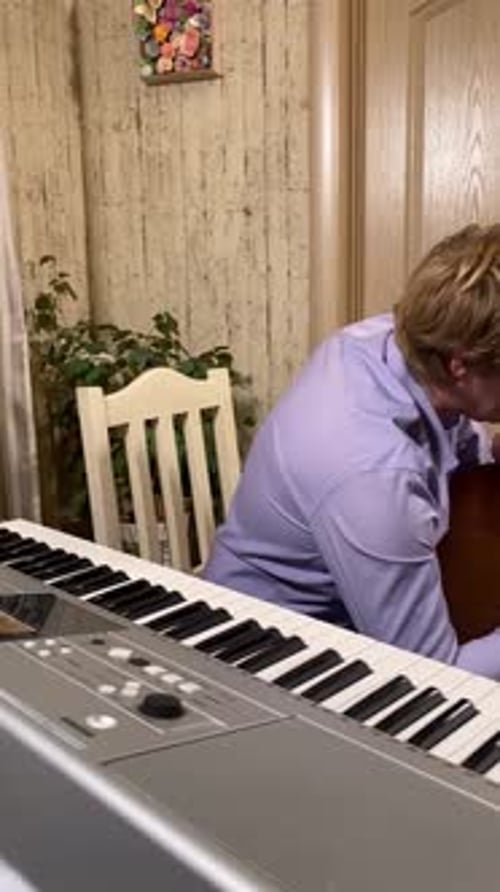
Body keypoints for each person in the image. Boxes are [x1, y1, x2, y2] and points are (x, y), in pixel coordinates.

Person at [203, 223, 500, 680]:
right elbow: (433, 674)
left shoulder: (395, 340)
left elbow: (458, 442)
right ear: (460, 365)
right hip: (262, 653)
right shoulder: (372, 473)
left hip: (348, 617)